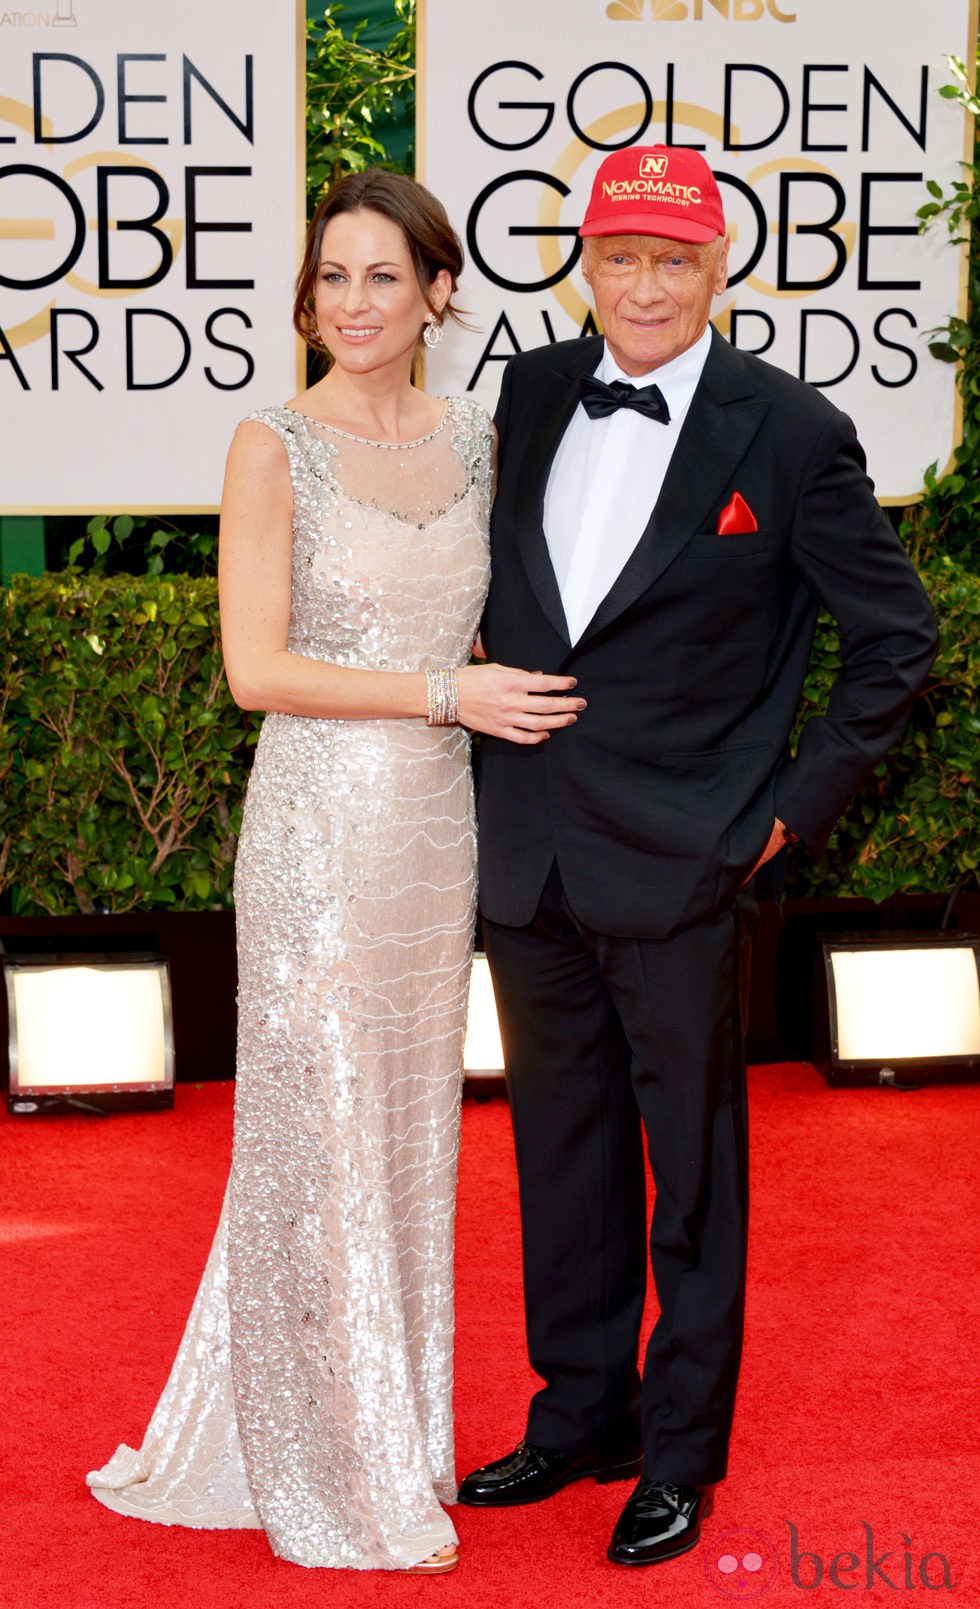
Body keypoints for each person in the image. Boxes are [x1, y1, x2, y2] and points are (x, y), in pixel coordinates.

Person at [86, 169, 581, 1574]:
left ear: (438, 292)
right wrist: (445, 691)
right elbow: (257, 671)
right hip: (318, 835)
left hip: (439, 839)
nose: (353, 304)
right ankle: (336, 1469)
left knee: (411, 1137)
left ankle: (391, 1431)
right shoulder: (271, 443)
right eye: (332, 277)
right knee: (322, 1137)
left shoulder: (484, 438)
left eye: (383, 276)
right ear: (306, 296)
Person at [458, 144, 938, 1566]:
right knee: (564, 1152)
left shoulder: (790, 431)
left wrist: (788, 809)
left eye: (676, 260)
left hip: (685, 858)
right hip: (530, 852)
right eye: (622, 257)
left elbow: (895, 640)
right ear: (585, 264)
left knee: (695, 1175)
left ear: (718, 270)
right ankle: (582, 1410)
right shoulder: (535, 390)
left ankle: (680, 1450)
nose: (647, 286)